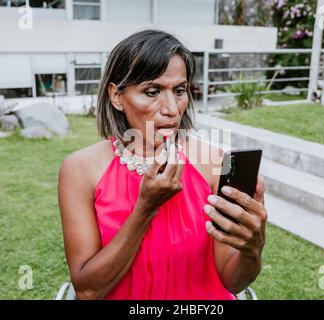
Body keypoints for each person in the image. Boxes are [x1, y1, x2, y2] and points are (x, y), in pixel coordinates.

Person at [58, 29, 268, 300]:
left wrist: (252, 249)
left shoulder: (215, 164)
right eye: (152, 91)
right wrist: (146, 207)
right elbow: (87, 290)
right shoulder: (80, 170)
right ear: (116, 96)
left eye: (179, 90)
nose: (171, 108)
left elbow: (233, 282)